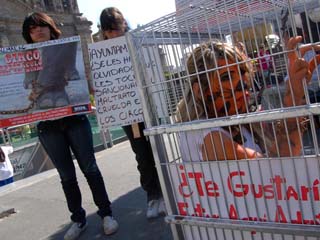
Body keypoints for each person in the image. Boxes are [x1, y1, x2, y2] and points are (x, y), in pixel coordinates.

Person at [21, 12, 118, 240]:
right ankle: (78, 219)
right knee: (66, 176)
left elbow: (77, 75)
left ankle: (106, 214)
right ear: (28, 34)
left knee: (90, 168)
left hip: (73, 116)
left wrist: (85, 82)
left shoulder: (67, 48)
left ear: (50, 27)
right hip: (47, 123)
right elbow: (24, 83)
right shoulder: (26, 56)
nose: (37, 30)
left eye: (41, 25)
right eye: (32, 28)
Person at [175, 37, 317, 161]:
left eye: (242, 73)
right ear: (200, 90)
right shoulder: (209, 137)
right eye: (227, 77)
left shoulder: (233, 121)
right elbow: (276, 168)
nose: (242, 84)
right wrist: (293, 96)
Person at [99, 7, 165, 219]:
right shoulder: (102, 54)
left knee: (159, 149)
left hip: (149, 108)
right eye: (109, 31)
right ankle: (153, 196)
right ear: (104, 32)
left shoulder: (138, 43)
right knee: (142, 155)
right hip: (129, 114)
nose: (114, 34)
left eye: (116, 29)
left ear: (124, 25)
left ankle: (168, 192)